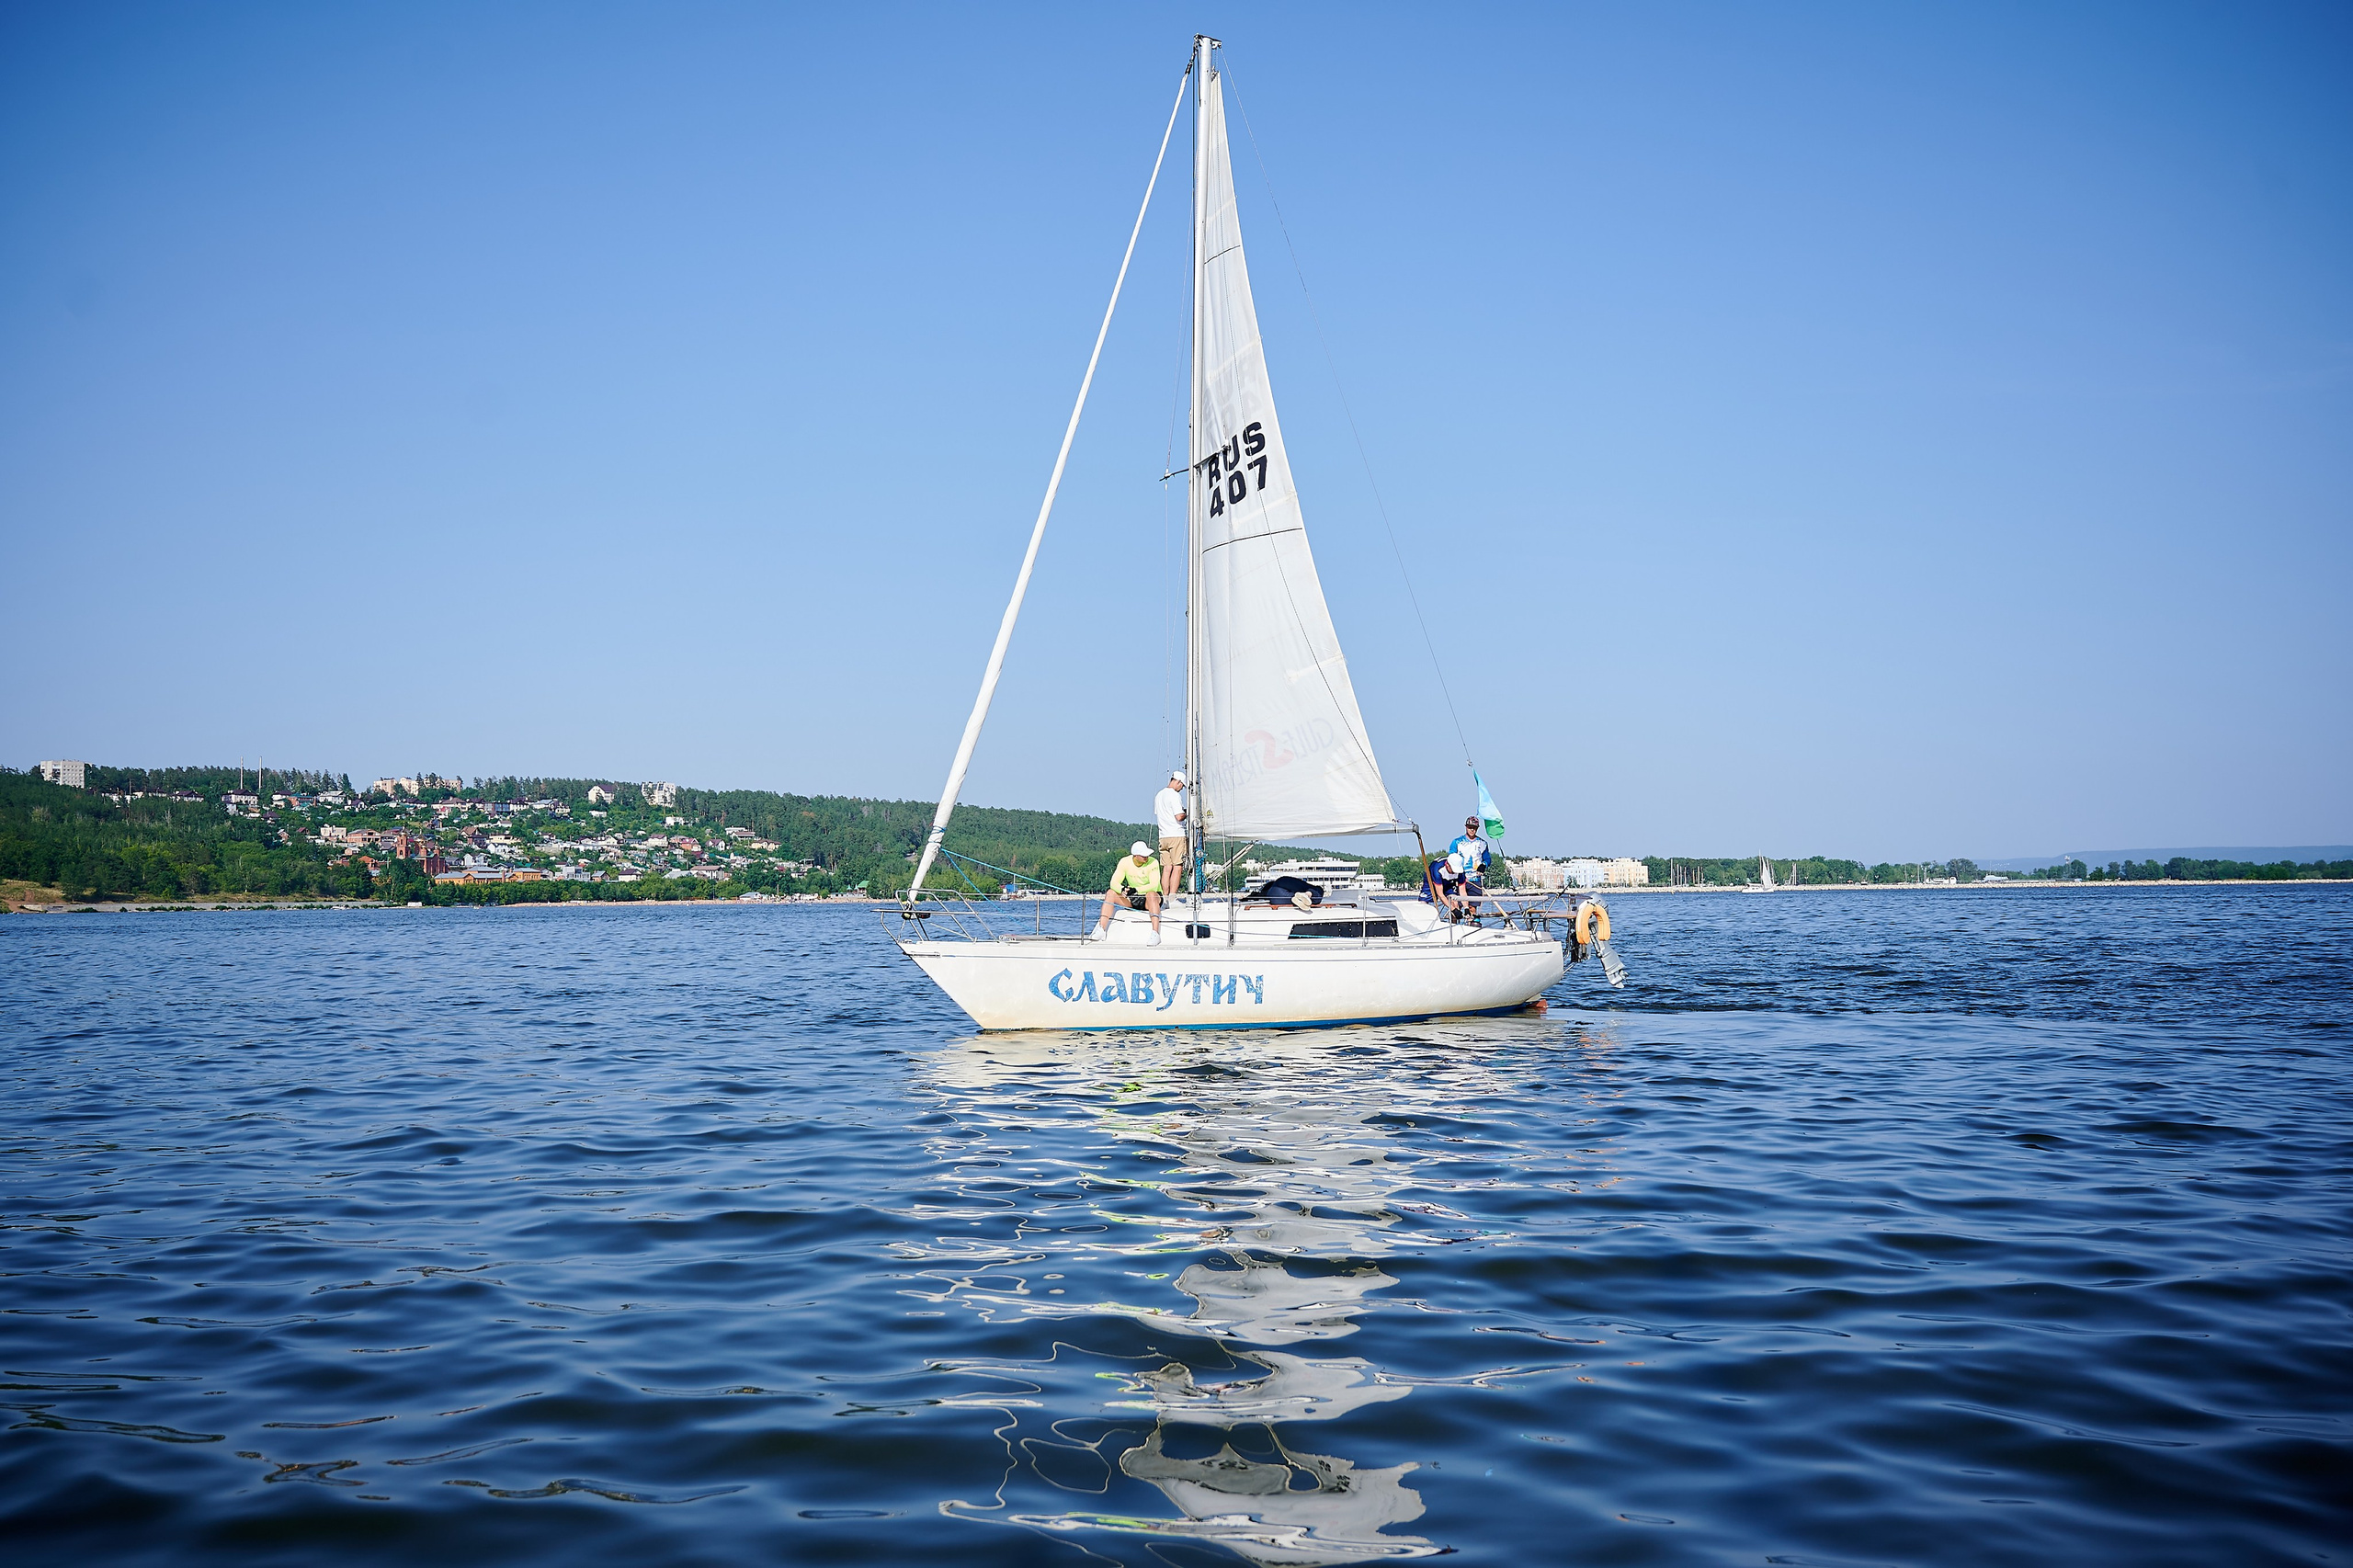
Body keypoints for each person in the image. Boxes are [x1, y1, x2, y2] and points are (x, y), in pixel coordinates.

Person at [1096, 841, 1164, 944]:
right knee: (1110, 893)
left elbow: (1154, 885)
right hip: (1133, 898)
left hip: (1150, 898)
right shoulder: (1124, 862)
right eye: (1143, 855)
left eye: (1147, 855)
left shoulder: (1153, 862)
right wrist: (1122, 889)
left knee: (1151, 894)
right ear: (1135, 856)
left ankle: (1155, 933)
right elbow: (1114, 882)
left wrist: (1136, 889)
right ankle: (1101, 930)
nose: (1146, 857)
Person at [1448, 816, 1493, 919]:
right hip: (1459, 879)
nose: (1472, 830)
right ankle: (1454, 930)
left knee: (1472, 908)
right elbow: (1451, 858)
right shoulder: (1456, 842)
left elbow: (1487, 859)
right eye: (1470, 827)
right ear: (1466, 827)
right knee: (1455, 907)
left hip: (1475, 880)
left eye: (1474, 828)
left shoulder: (1483, 843)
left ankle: (1471, 927)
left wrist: (1483, 865)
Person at [1154, 770, 1188, 898]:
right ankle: (1173, 897)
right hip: (1176, 834)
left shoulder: (1159, 795)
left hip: (1163, 836)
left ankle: (1165, 897)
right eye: (1182, 786)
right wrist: (1187, 813)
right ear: (1178, 782)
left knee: (1167, 868)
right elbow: (1179, 816)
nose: (1181, 789)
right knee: (1177, 867)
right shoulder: (1174, 795)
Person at [1425, 851, 1472, 920]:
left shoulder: (1460, 872)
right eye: (1453, 870)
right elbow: (1440, 894)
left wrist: (1466, 908)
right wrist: (1454, 910)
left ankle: (1453, 925)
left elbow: (1462, 891)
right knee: (1424, 902)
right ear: (1447, 865)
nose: (1455, 872)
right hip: (1432, 880)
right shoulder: (1437, 870)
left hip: (1449, 882)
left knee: (1454, 902)